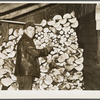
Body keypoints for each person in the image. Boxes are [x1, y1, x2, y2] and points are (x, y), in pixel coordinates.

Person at [14, 22, 53, 90]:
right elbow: (36, 53)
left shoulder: (24, 40)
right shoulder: (26, 41)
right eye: (30, 29)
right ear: (24, 31)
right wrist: (46, 50)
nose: (32, 32)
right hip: (26, 72)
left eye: (33, 30)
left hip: (23, 72)